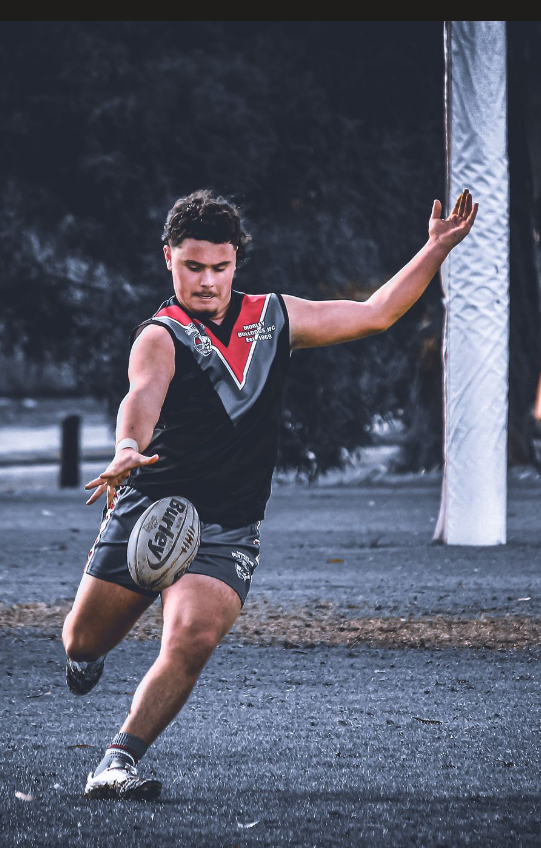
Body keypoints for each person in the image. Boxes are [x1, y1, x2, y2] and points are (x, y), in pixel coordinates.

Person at [62, 187, 478, 800]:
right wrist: (127, 447)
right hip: (152, 513)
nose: (208, 281)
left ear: (237, 260)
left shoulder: (274, 317)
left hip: (228, 525)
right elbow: (141, 396)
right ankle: (86, 656)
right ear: (169, 258)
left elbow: (377, 312)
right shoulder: (160, 335)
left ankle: (116, 762)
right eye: (193, 266)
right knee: (82, 640)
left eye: (220, 266)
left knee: (193, 638)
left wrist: (435, 248)